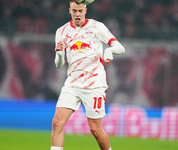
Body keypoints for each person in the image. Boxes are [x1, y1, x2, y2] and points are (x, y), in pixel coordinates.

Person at [51, 0, 125, 150]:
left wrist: (108, 51)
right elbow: (59, 64)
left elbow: (120, 47)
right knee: (57, 122)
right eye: (74, 11)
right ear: (69, 11)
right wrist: (59, 54)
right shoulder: (62, 31)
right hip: (72, 83)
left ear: (85, 10)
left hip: (94, 85)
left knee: (95, 129)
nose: (77, 14)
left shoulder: (97, 27)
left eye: (80, 11)